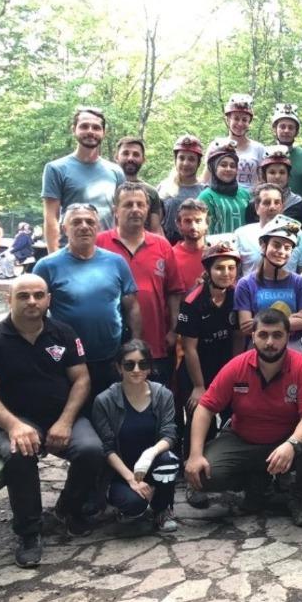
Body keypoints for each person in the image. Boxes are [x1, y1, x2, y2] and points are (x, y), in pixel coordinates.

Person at [0, 276, 102, 564]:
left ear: (48, 300)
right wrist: (14, 425)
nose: (32, 301)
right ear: (9, 300)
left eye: (39, 295)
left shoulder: (64, 333)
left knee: (91, 450)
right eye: (24, 295)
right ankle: (29, 531)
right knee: (19, 455)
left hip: (61, 416)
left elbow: (81, 380)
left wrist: (66, 421)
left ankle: (68, 508)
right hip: (16, 420)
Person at [185, 308, 302, 525]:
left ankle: (301, 496)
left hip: (288, 440)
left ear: (287, 336)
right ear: (253, 336)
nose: (270, 342)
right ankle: (256, 483)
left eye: (277, 335)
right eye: (263, 335)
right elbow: (205, 408)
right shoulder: (237, 365)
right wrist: (195, 454)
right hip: (243, 439)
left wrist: (291, 444)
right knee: (202, 475)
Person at [34, 203, 140, 398]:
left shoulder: (116, 262)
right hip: (68, 362)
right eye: (76, 222)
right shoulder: (47, 266)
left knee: (111, 415)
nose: (84, 226)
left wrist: (134, 342)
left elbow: (132, 305)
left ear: (98, 226)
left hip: (110, 358)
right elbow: (34, 311)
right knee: (74, 416)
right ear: (65, 228)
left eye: (90, 221)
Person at [96, 183, 186, 383]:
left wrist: (173, 330)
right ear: (115, 210)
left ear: (147, 209)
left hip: (155, 345)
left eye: (140, 204)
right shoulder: (99, 244)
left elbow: (174, 292)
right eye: (128, 204)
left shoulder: (162, 245)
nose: (135, 209)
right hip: (111, 347)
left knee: (157, 404)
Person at [93, 340, 179, 532]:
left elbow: (169, 433)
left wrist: (150, 453)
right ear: (119, 368)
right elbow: (107, 448)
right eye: (129, 364)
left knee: (169, 461)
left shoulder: (162, 395)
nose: (136, 369)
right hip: (121, 473)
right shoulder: (104, 401)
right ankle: (125, 502)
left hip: (152, 465)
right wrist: (131, 479)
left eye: (143, 364)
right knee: (134, 507)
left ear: (150, 367)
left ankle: (162, 509)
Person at [178, 243, 242, 438]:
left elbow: (238, 338)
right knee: (199, 424)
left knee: (233, 421)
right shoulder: (193, 301)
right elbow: (189, 349)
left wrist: (236, 374)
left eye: (231, 268)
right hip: (197, 371)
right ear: (208, 270)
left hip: (225, 368)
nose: (226, 273)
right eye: (219, 268)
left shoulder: (236, 295)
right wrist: (199, 386)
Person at [41, 106, 124, 252]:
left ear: (104, 132)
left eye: (96, 127)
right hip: (70, 251)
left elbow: (120, 217)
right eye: (84, 126)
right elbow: (51, 218)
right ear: (74, 130)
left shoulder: (116, 171)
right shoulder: (56, 169)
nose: (90, 131)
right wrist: (53, 257)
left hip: (106, 252)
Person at [235, 217, 302, 347]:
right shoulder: (246, 284)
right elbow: (245, 327)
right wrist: (292, 320)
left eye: (287, 247)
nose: (282, 252)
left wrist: (259, 321)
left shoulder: (298, 282)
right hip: (258, 347)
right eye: (276, 245)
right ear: (263, 245)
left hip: (292, 346)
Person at [236, 184, 302, 277]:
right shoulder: (242, 234)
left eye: (277, 202)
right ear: (256, 207)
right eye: (267, 203)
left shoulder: (296, 232)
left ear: (282, 207)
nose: (272, 207)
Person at [245, 145, 302, 241]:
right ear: (265, 175)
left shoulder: (301, 205)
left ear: (288, 175)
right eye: (272, 172)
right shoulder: (254, 205)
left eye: (282, 172)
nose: (277, 176)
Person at [158, 135, 206, 244]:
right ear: (175, 160)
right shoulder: (164, 188)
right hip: (167, 245)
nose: (186, 163)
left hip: (196, 247)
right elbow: (155, 223)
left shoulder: (204, 191)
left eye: (191, 159)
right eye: (181, 158)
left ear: (198, 163)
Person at [197, 139, 251, 235]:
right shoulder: (206, 197)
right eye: (223, 165)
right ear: (214, 167)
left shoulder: (244, 194)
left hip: (243, 248)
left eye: (232, 166)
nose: (228, 169)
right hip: (215, 248)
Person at [214, 94, 265, 189]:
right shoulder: (217, 145)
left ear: (249, 122)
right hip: (222, 198)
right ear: (228, 119)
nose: (240, 123)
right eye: (236, 118)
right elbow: (206, 178)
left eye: (244, 120)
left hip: (250, 200)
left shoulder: (259, 148)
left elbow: (263, 180)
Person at [115, 137, 163, 235]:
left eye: (136, 155)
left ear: (143, 159)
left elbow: (156, 229)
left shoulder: (151, 192)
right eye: (125, 153)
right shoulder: (109, 187)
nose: (130, 158)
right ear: (116, 157)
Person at [270, 103, 302, 197]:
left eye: (291, 127)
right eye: (282, 127)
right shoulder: (266, 153)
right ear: (275, 129)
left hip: (299, 208)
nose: (286, 130)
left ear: (296, 131)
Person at [171, 198, 209, 292]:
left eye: (198, 221)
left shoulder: (215, 253)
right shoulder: (170, 256)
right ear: (179, 224)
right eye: (188, 221)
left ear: (207, 223)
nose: (193, 227)